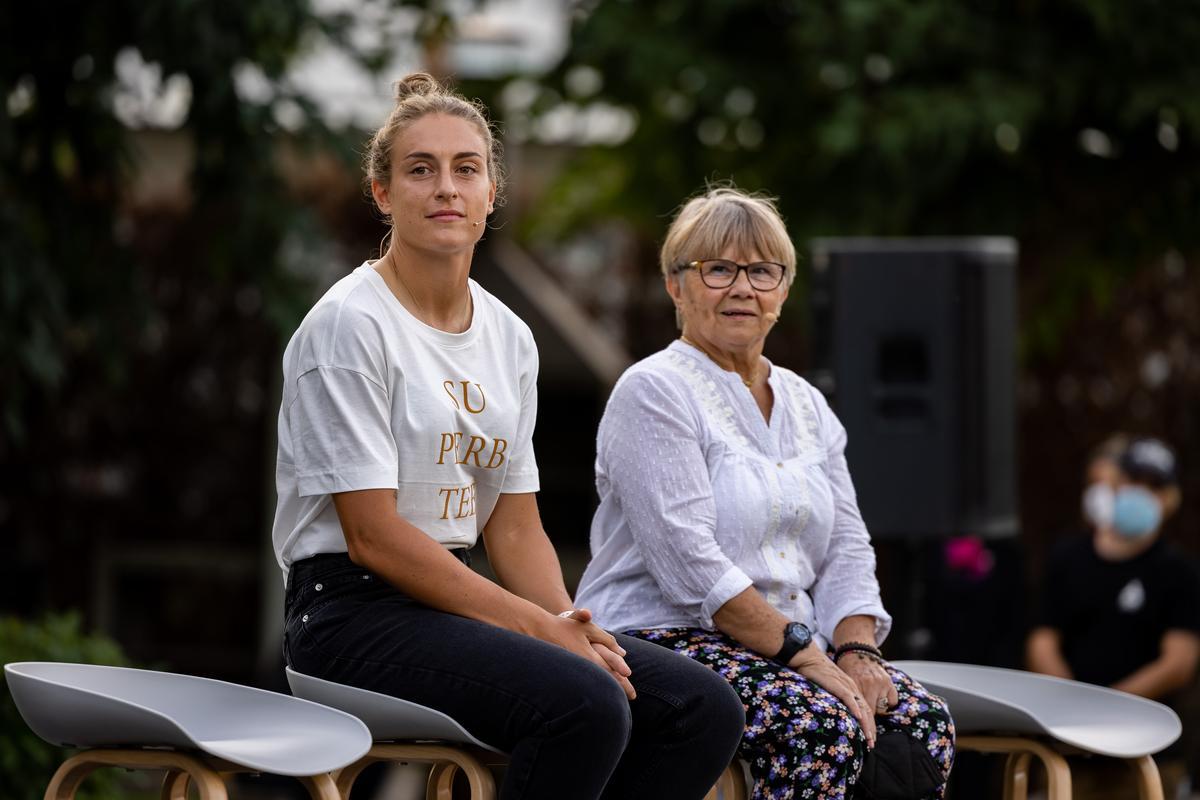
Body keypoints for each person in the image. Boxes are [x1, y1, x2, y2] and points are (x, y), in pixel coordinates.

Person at [271, 74, 746, 800]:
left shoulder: (509, 336)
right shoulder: (349, 326)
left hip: (454, 601)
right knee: (583, 705)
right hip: (348, 613)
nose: (446, 188)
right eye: (421, 169)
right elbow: (372, 536)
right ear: (382, 193)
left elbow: (515, 527)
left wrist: (569, 624)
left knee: (699, 708)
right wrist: (537, 630)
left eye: (466, 169)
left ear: (492, 193)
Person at [573, 185, 955, 799]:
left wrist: (857, 651)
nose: (742, 288)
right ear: (676, 286)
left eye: (761, 271)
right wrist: (805, 654)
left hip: (794, 644)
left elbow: (847, 546)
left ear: (784, 290)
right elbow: (690, 562)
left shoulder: (807, 403)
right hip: (666, 637)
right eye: (718, 269)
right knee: (818, 725)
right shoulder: (654, 390)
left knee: (921, 722)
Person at [1027, 436, 1200, 797]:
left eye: (1155, 486)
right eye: (1134, 480)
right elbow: (1042, 639)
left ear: (1171, 499)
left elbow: (1178, 662)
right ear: (1114, 483)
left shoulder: (1178, 571)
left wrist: (1110, 706)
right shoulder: (1067, 558)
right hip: (1067, 751)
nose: (1142, 493)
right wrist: (1074, 703)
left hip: (1146, 753)